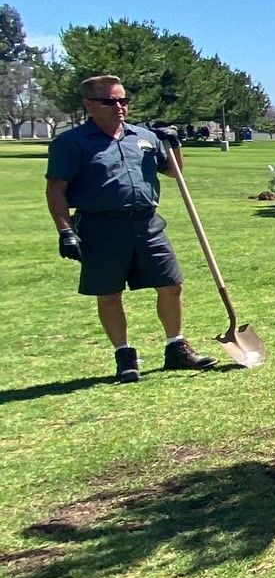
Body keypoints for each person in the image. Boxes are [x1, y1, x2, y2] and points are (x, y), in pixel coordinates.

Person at [45, 75, 221, 382]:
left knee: (171, 284)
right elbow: (56, 190)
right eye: (110, 101)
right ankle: (125, 355)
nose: (119, 107)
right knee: (109, 293)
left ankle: (176, 347)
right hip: (101, 226)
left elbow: (172, 171)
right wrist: (65, 231)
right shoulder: (71, 143)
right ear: (89, 104)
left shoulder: (143, 137)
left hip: (147, 224)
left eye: (123, 100)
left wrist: (174, 143)